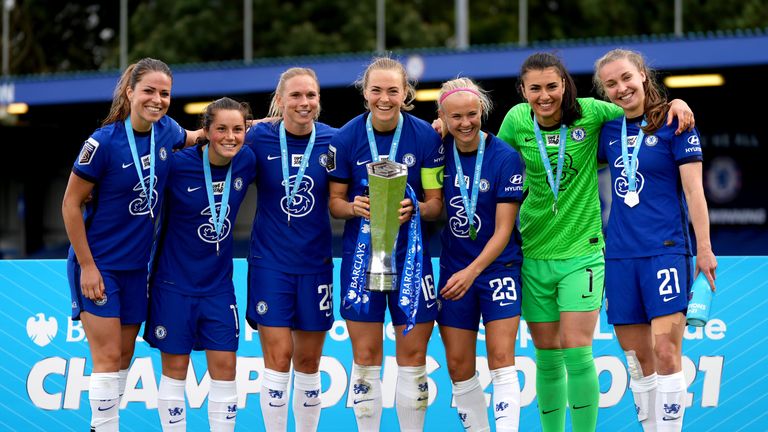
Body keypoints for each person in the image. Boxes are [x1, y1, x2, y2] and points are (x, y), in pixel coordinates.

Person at [496, 52, 695, 432]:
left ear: (565, 85)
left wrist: (676, 103)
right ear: (523, 91)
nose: (545, 96)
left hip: (583, 252)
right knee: (548, 357)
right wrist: (445, 126)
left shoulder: (592, 112)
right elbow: (490, 158)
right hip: (534, 252)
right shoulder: (515, 121)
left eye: (552, 86)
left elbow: (638, 107)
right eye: (535, 88)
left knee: (577, 350)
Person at [61, 57, 195, 431]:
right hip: (99, 264)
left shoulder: (166, 131)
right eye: (149, 91)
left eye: (165, 93)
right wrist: (87, 266)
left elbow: (208, 135)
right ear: (130, 92)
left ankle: (100, 425)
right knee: (105, 356)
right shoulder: (102, 143)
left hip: (138, 269)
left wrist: (264, 124)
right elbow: (70, 205)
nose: (157, 99)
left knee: (123, 355)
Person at [593, 48, 716, 432]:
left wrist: (705, 249)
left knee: (666, 352)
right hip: (619, 258)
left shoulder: (676, 123)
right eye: (610, 84)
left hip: (665, 252)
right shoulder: (607, 130)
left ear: (643, 75)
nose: (621, 88)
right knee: (637, 360)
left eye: (626, 78)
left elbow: (695, 192)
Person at [327, 56, 444, 432]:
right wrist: (352, 206)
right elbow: (335, 203)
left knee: (413, 357)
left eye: (393, 90)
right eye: (376, 90)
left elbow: (436, 204)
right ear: (365, 93)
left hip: (411, 260)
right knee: (365, 356)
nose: (384, 98)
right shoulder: (346, 137)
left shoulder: (424, 136)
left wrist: (418, 208)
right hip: (362, 260)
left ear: (406, 93)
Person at [144, 97, 256, 432]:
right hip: (173, 285)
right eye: (221, 128)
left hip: (218, 288)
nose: (230, 136)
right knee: (174, 372)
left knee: (225, 368)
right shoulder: (176, 165)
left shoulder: (247, 159)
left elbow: (276, 128)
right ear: (205, 131)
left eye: (238, 129)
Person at [243, 67, 336, 432]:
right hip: (270, 265)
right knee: (279, 358)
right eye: (295, 96)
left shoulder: (335, 140)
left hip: (315, 265)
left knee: (310, 362)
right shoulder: (258, 137)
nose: (304, 103)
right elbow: (218, 140)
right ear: (280, 100)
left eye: (310, 95)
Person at [435, 78, 525, 432]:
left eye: (472, 114)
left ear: (483, 111)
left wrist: (472, 272)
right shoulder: (437, 149)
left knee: (502, 360)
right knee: (458, 365)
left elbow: (503, 231)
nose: (465, 123)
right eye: (455, 116)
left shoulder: (504, 157)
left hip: (496, 268)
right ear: (442, 117)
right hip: (454, 270)